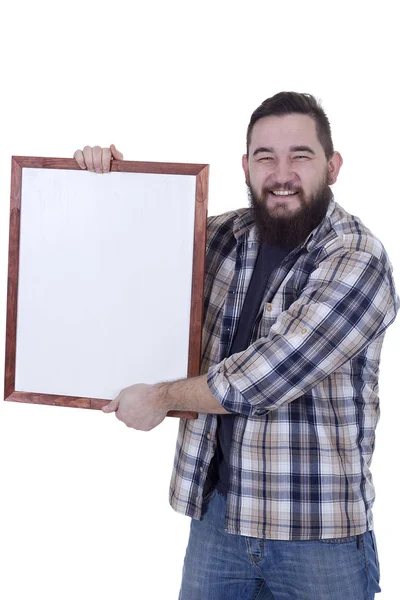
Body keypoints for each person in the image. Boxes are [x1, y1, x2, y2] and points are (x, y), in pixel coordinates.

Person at [74, 92, 399, 600]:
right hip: (219, 519)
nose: (281, 172)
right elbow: (128, 255)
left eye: (301, 155)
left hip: (318, 533)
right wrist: (109, 182)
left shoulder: (358, 258)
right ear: (246, 167)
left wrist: (161, 398)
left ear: (333, 167)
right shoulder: (225, 234)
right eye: (265, 157)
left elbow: (266, 375)